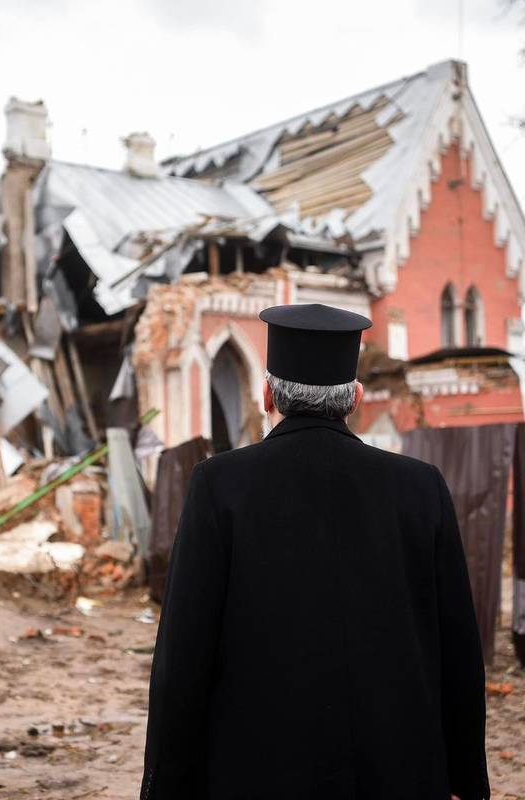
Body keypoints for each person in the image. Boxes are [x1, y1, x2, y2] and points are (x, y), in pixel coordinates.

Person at [141, 303, 489, 800]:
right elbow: (458, 648)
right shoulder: (419, 487)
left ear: (266, 395)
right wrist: (466, 780)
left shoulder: (219, 485)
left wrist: (164, 786)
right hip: (397, 770)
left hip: (254, 772)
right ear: (356, 399)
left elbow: (184, 655)